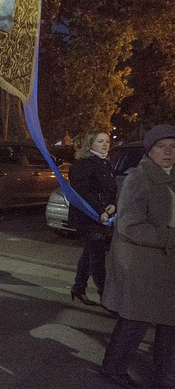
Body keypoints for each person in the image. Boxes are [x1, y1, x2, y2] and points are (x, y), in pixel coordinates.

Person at [100, 124, 175, 389]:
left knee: (169, 319)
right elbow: (129, 226)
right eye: (161, 147)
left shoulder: (172, 176)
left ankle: (166, 374)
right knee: (136, 319)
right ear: (150, 150)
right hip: (140, 265)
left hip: (164, 264)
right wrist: (168, 237)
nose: (168, 152)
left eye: (173, 147)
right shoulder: (138, 178)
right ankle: (113, 368)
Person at [68, 130, 117, 306]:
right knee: (97, 256)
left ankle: (78, 288)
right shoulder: (83, 164)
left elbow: (112, 190)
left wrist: (113, 204)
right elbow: (82, 192)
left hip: (101, 217)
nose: (105, 144)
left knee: (90, 253)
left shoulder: (105, 164)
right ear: (90, 144)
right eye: (100, 141)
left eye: (107, 141)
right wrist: (98, 210)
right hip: (87, 218)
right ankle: (107, 298)